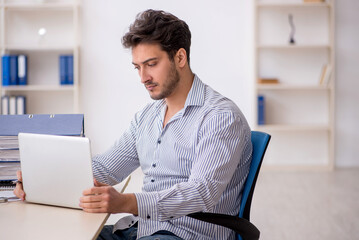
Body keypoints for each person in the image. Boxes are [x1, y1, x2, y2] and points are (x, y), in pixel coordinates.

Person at [14, 9, 252, 240]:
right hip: (141, 228)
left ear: (180, 57)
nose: (143, 78)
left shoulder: (220, 117)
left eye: (151, 64)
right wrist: (43, 177)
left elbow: (202, 192)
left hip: (189, 234)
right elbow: (107, 169)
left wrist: (126, 202)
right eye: (138, 67)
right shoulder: (147, 117)